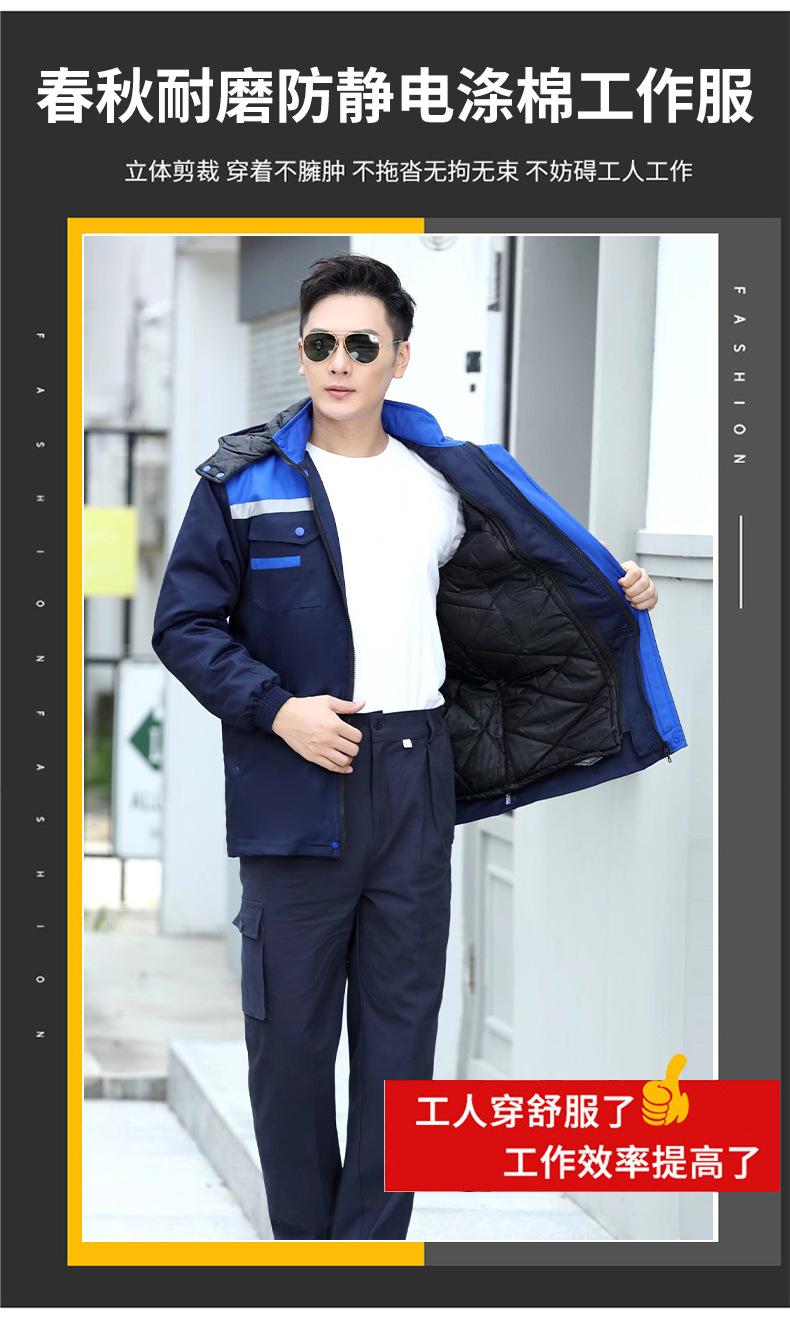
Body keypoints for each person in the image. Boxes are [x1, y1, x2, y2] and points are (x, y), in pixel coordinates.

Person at [152, 253, 672, 1243]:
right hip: (298, 780)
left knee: (399, 1048)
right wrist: (279, 710)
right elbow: (183, 626)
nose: (338, 362)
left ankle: (367, 1259)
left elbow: (524, 588)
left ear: (399, 357)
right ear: (301, 353)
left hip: (414, 773)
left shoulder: (448, 477)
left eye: (362, 344)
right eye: (321, 343)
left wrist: (619, 586)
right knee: (290, 1045)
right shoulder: (243, 481)